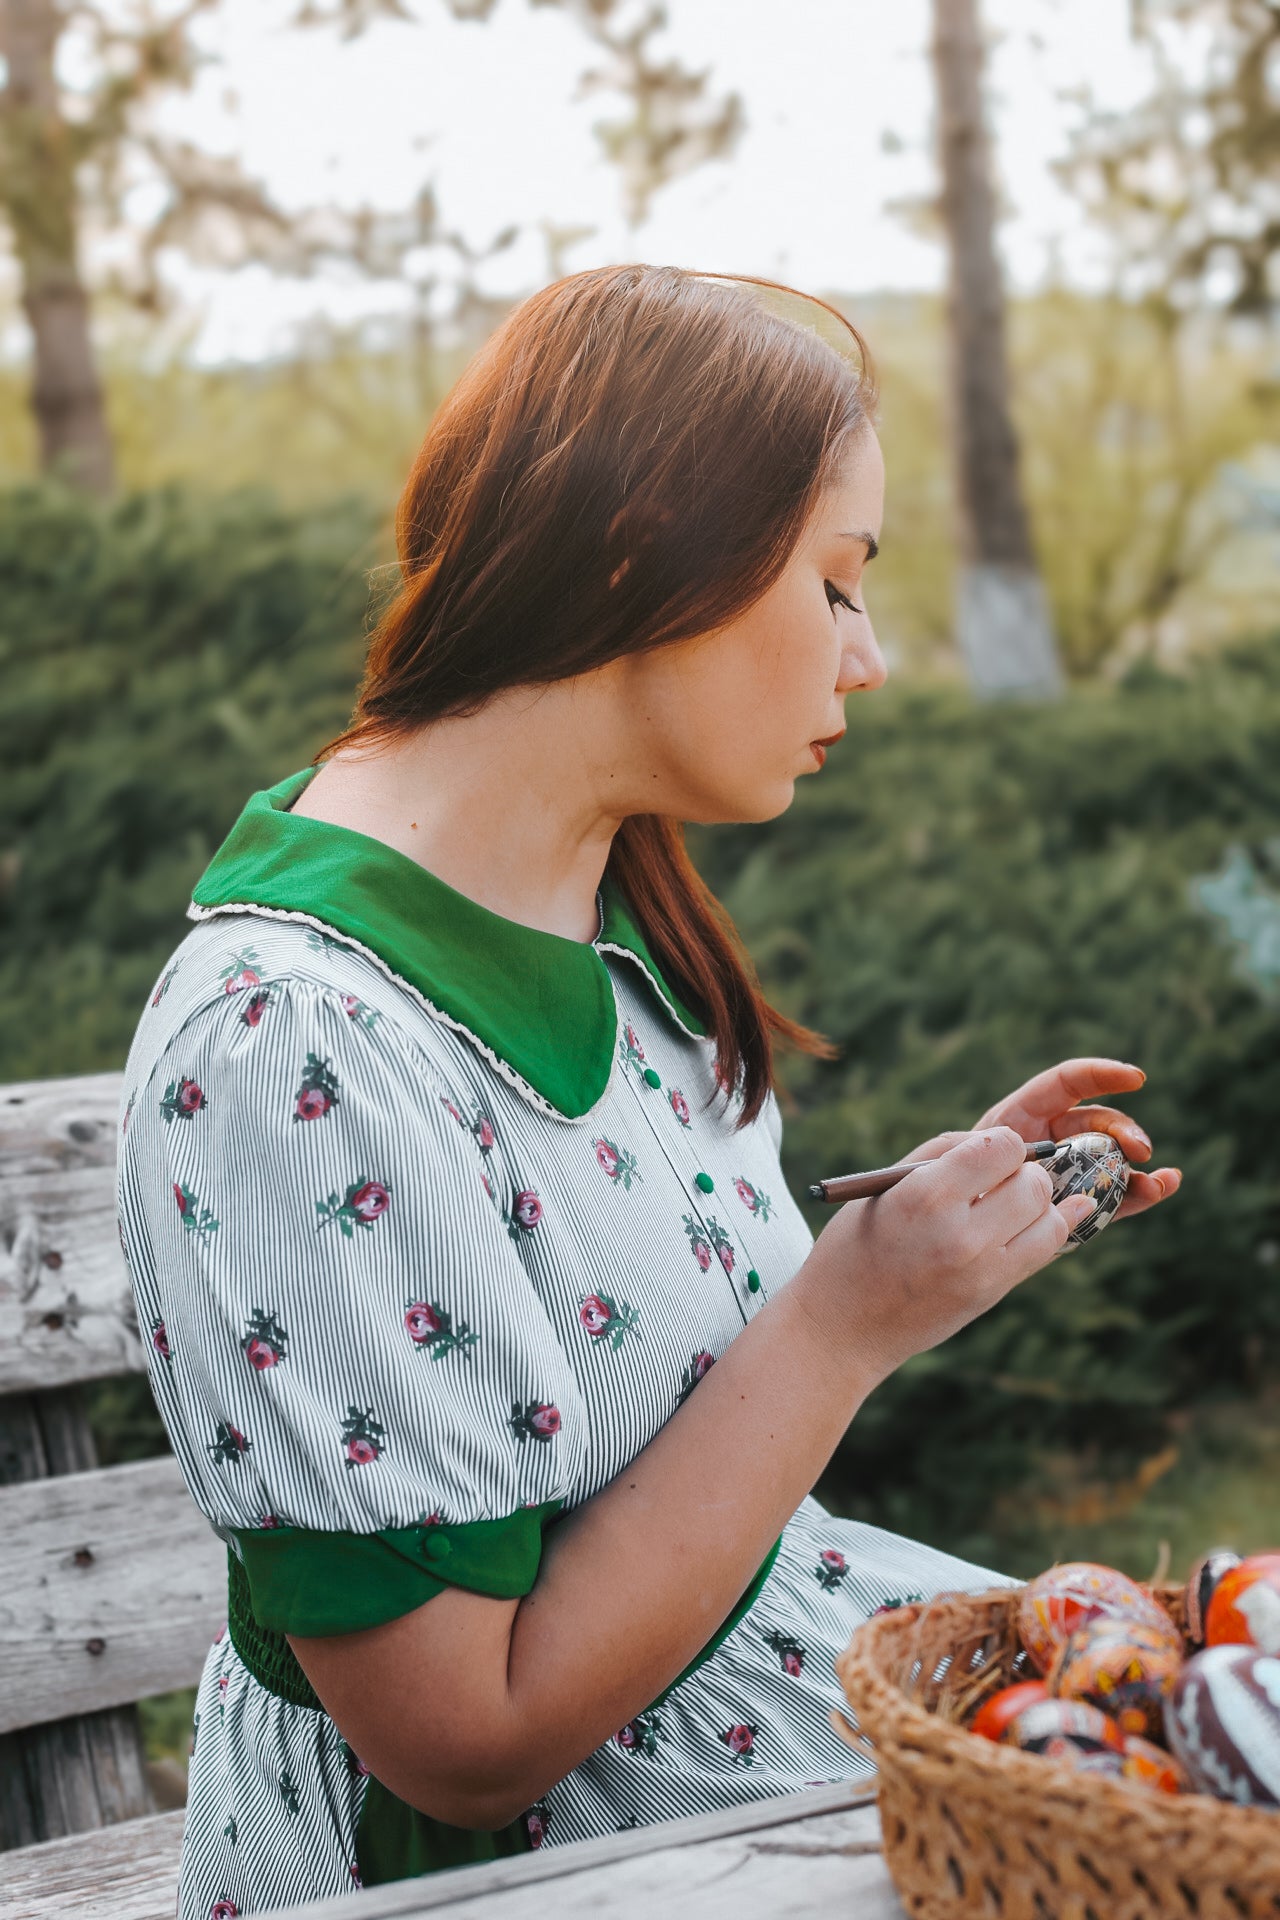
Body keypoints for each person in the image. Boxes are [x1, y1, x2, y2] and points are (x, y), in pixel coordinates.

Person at [115, 263, 1180, 1918]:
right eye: (836, 583)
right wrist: (845, 1324)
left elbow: (654, 1384)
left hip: (756, 1744)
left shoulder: (601, 899)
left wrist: (908, 1247)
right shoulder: (289, 1044)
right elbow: (466, 1744)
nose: (870, 656)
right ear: (640, 553)